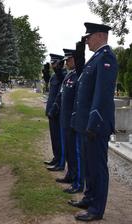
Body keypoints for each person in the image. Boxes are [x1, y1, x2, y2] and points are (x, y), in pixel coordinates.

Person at [69, 22, 118, 221]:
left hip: (96, 123)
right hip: (87, 122)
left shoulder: (106, 57)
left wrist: (94, 122)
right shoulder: (95, 58)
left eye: (89, 37)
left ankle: (97, 209)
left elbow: (102, 94)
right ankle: (89, 198)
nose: (86, 40)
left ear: (99, 36)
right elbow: (82, 81)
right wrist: (79, 56)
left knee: (97, 167)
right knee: (89, 165)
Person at [53, 48, 84, 194]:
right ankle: (70, 175)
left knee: (75, 152)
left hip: (72, 121)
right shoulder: (69, 76)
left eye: (69, 60)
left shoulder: (78, 75)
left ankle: (78, 182)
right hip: (65, 120)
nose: (67, 63)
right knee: (69, 151)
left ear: (75, 59)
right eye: (66, 60)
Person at [44, 54, 66, 171]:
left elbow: (61, 77)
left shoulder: (63, 74)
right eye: (52, 63)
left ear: (60, 63)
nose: (52, 65)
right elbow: (49, 87)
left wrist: (58, 69)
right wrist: (46, 74)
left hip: (58, 111)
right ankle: (56, 157)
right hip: (51, 110)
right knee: (53, 137)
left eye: (54, 63)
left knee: (59, 138)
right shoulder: (54, 76)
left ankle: (60, 161)